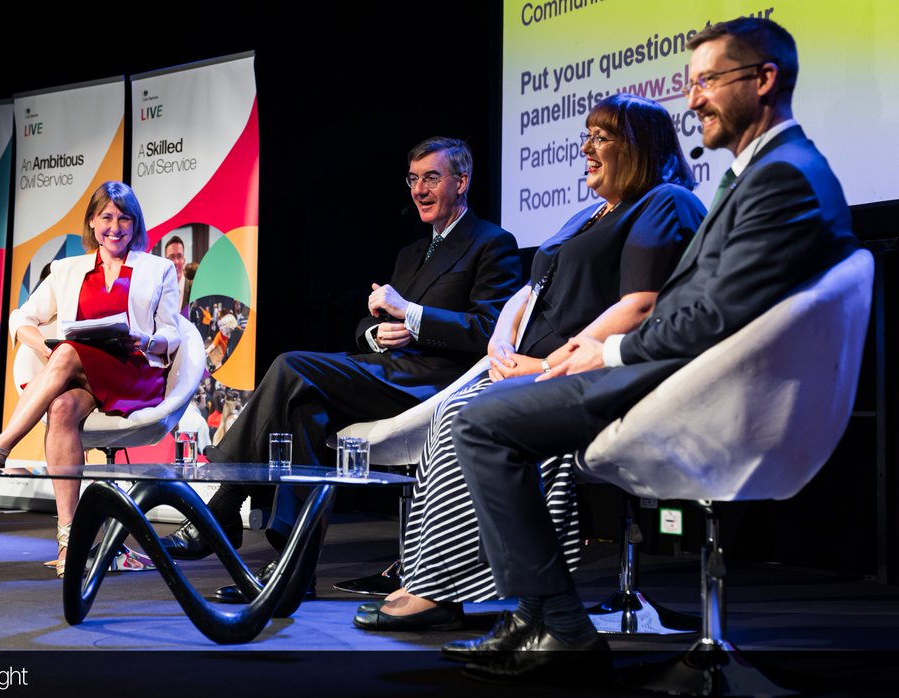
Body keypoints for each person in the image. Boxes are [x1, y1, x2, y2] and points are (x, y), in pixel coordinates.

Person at [446, 18, 858, 681]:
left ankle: (557, 624)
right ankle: (538, 617)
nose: (693, 99)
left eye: (709, 81)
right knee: (484, 417)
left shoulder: (782, 176)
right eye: (690, 84)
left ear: (764, 80)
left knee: (482, 424)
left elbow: (714, 312)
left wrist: (606, 355)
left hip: (699, 383)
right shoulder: (764, 172)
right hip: (681, 369)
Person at [352, 94, 705, 632]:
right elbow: (532, 285)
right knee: (449, 419)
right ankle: (426, 576)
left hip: (589, 370)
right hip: (528, 363)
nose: (586, 148)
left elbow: (641, 305)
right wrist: (500, 339)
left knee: (466, 424)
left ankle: (449, 587)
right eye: (585, 136)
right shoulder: (591, 214)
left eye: (600, 138)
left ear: (638, 147)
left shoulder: (664, 202)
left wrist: (546, 364)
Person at [160, 137, 525, 587]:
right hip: (387, 371)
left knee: (292, 367)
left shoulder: (492, 243)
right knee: (303, 411)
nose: (419, 189)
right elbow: (370, 321)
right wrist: (377, 332)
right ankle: (295, 572)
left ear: (462, 182)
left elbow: (492, 328)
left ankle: (222, 508)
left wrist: (412, 317)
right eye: (413, 179)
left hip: (435, 383)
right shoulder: (411, 253)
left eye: (432, 177)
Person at [0, 181, 181, 576]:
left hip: (133, 370)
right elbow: (22, 318)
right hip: (82, 373)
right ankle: (71, 541)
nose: (115, 227)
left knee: (70, 352)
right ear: (92, 221)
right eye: (106, 217)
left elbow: (173, 333)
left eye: (125, 218)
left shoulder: (157, 270)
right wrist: (42, 348)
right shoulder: (66, 270)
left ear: (135, 224)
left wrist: (145, 337)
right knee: (61, 405)